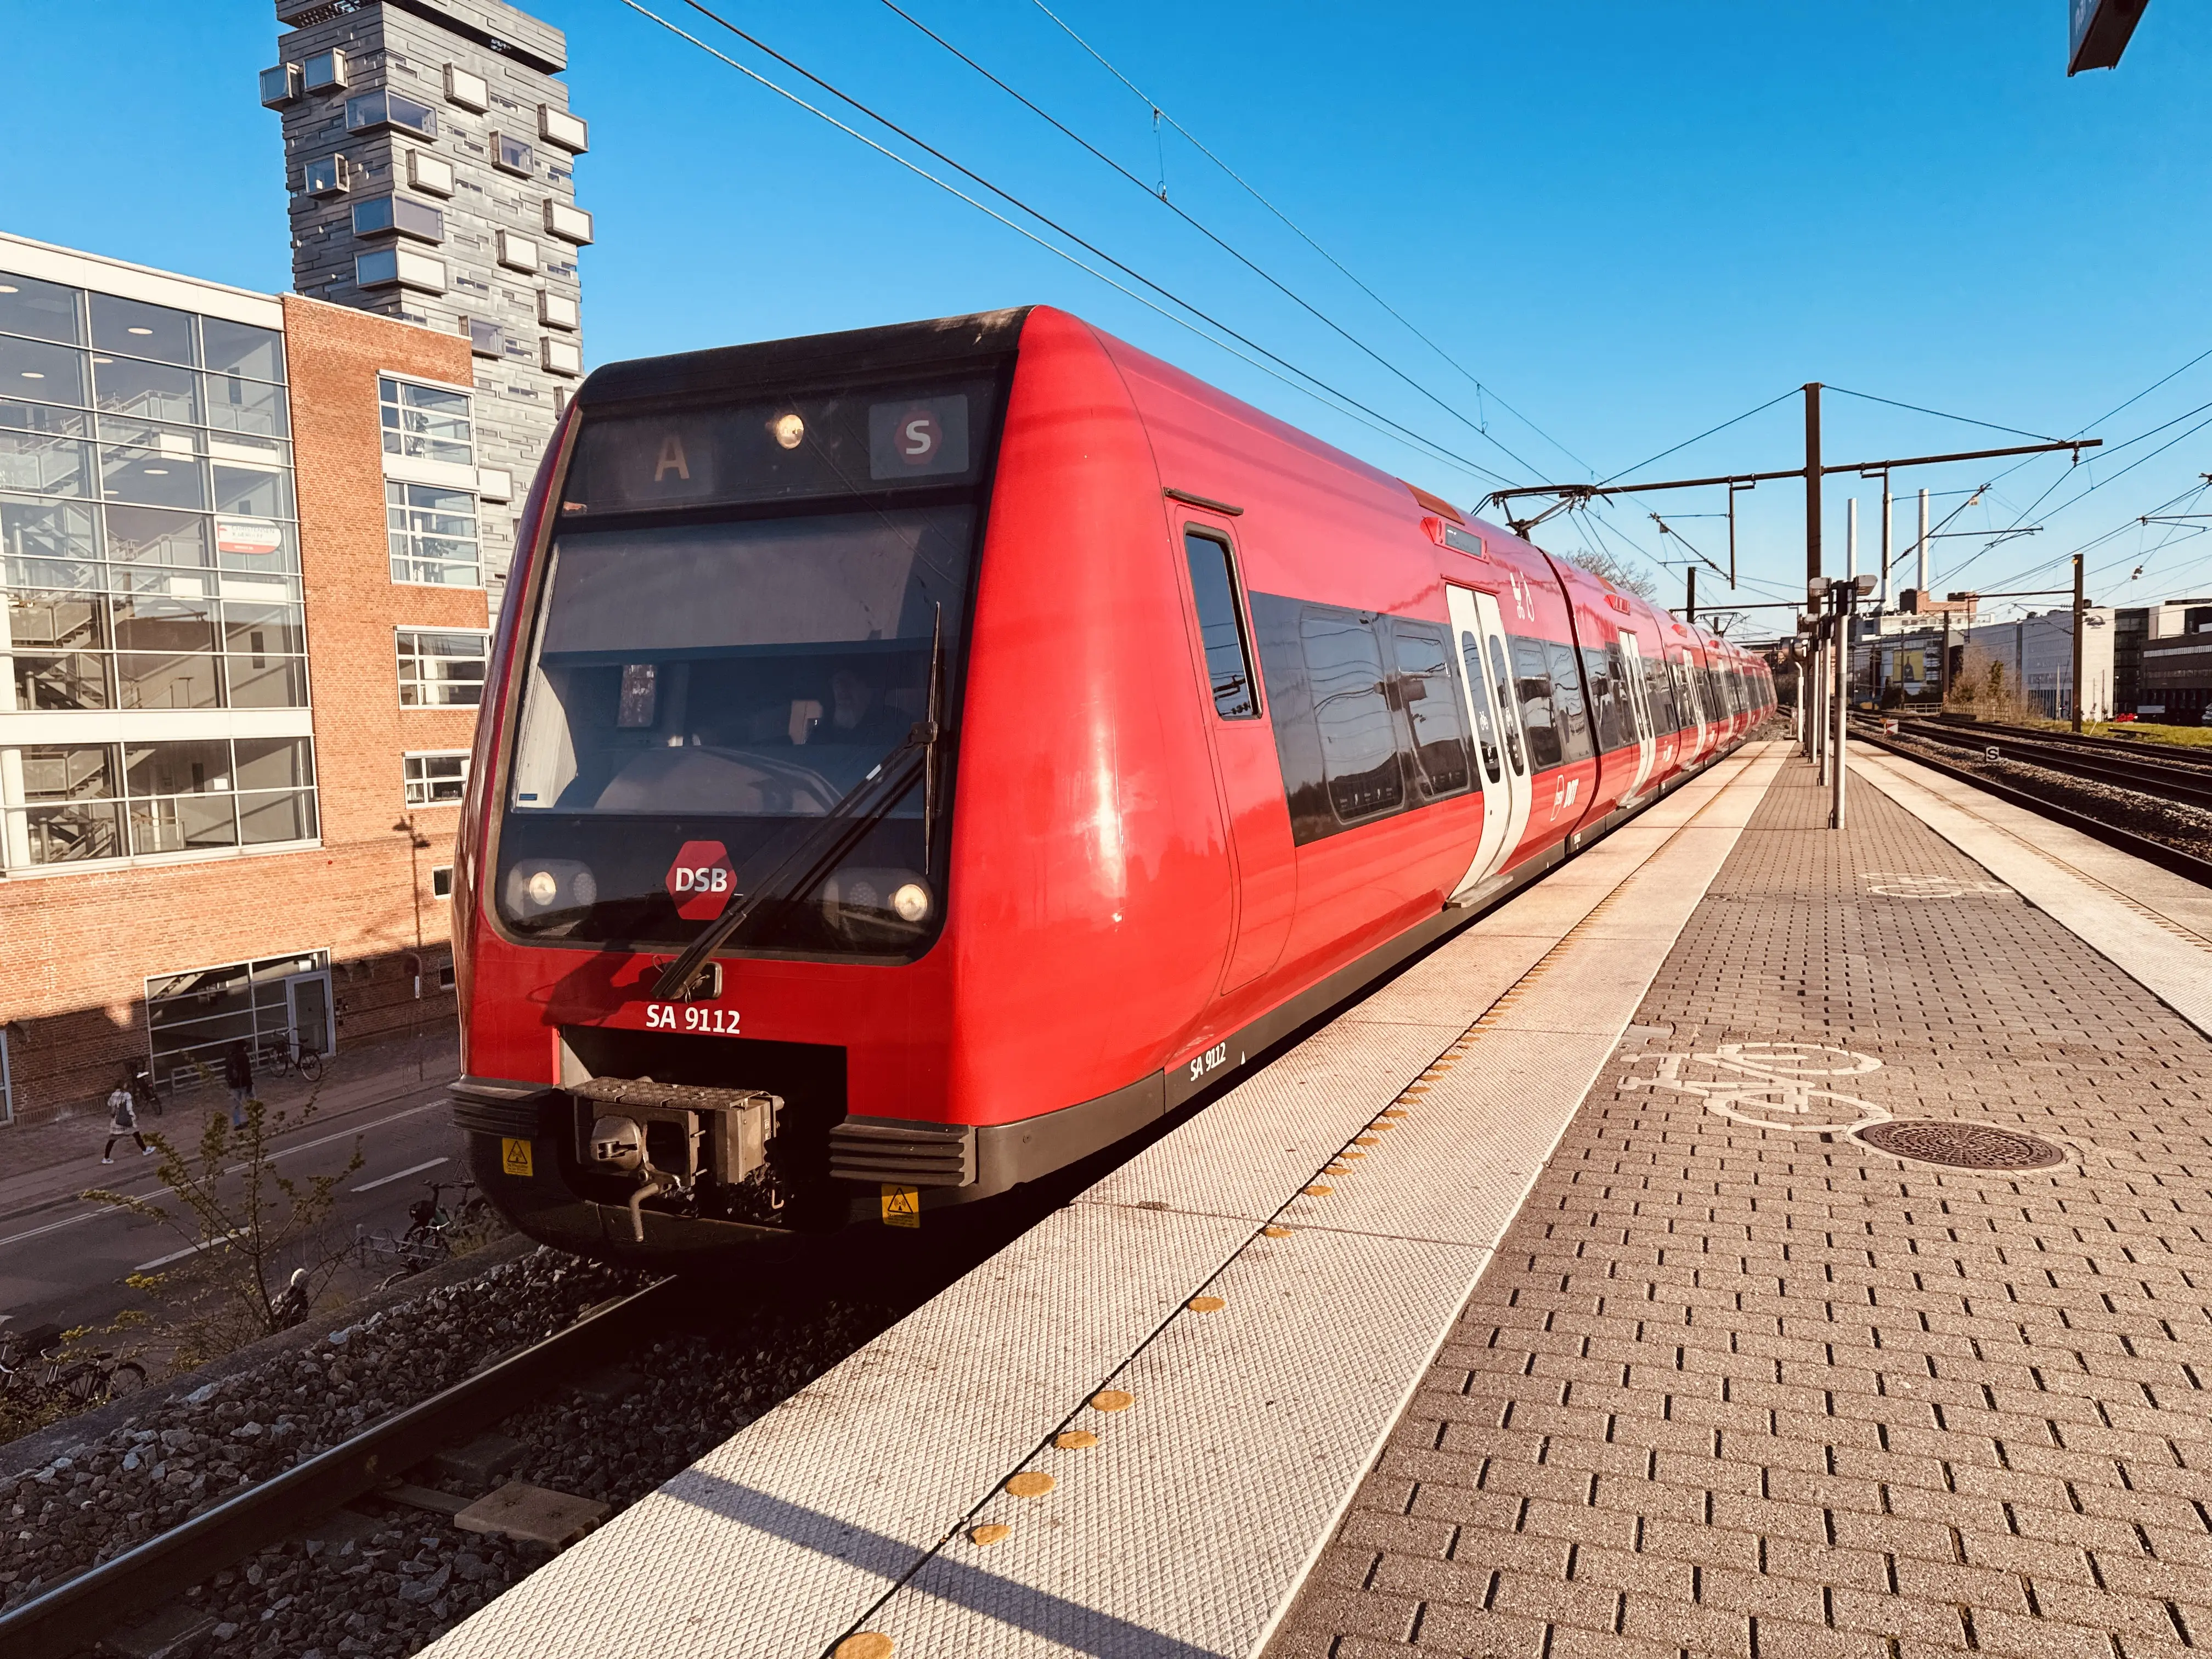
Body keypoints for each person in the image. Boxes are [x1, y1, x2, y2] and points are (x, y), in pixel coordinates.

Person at [103, 1078, 153, 1164]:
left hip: (117, 1122)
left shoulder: (114, 1095)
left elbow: (111, 1106)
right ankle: (145, 1150)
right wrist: (133, 1117)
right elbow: (129, 1109)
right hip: (126, 1121)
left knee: (112, 1140)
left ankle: (106, 1158)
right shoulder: (127, 1095)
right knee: (136, 1134)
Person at [224, 1040, 254, 1128]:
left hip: (233, 1085)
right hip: (244, 1083)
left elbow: (227, 1072)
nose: (246, 1048)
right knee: (252, 1102)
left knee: (235, 1106)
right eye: (245, 1046)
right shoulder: (244, 1057)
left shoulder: (230, 1057)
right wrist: (249, 1085)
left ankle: (237, 1123)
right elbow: (247, 1072)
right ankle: (251, 1120)